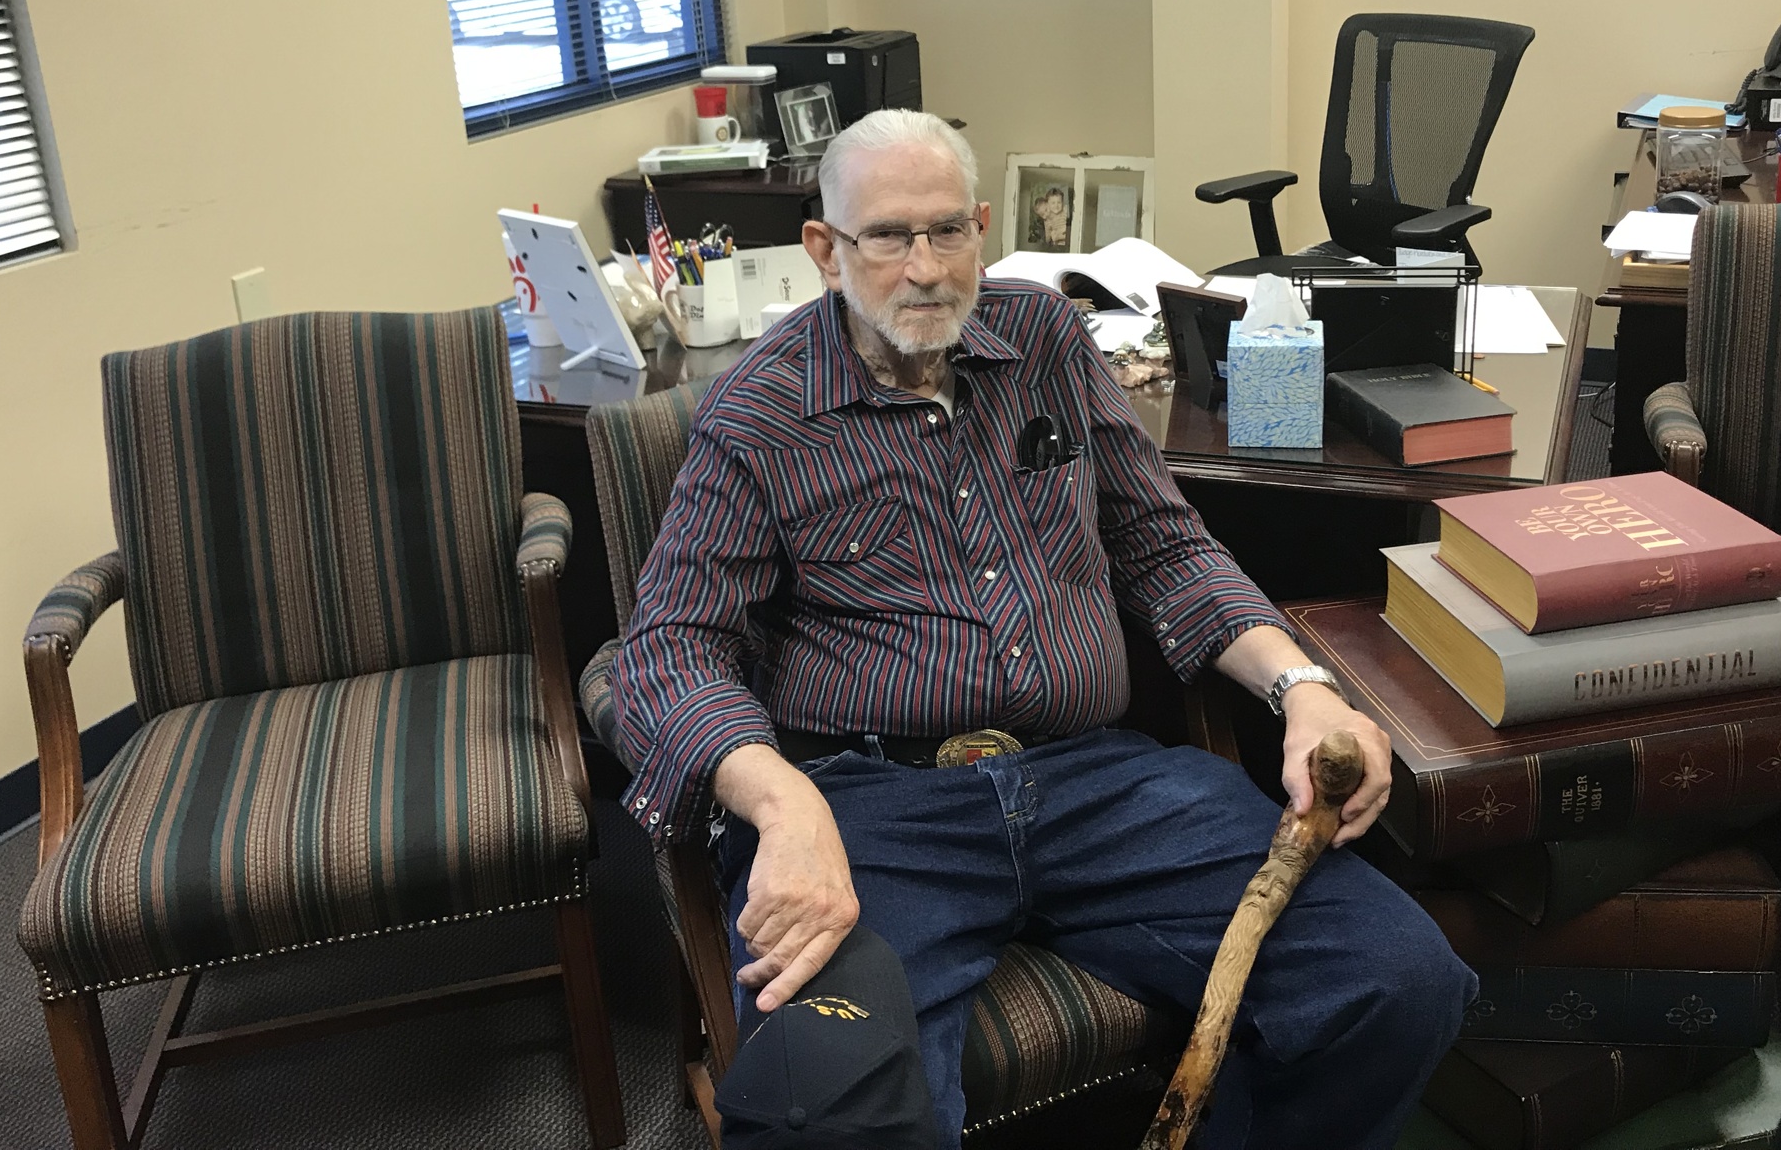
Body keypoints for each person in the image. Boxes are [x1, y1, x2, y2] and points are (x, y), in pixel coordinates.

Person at [610, 110, 1473, 1149]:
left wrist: (1305, 691)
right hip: (876, 808)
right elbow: (668, 649)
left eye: (947, 231)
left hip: (1095, 784)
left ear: (982, 228)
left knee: (1399, 980)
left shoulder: (1047, 340)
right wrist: (782, 806)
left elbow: (1163, 546)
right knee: (822, 1115)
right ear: (824, 250)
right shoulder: (759, 412)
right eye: (886, 237)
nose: (925, 268)